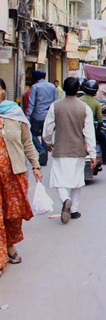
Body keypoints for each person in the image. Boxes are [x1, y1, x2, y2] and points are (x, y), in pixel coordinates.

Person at [0, 78, 42, 276]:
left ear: (4, 91)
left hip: (14, 175)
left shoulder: (15, 115)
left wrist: (35, 165)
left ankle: (10, 244)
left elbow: (27, 143)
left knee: (13, 215)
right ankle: (3, 254)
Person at [42, 78, 96, 224]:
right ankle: (74, 211)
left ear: (64, 89)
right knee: (77, 181)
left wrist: (48, 142)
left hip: (60, 149)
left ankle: (65, 200)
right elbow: (89, 133)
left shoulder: (55, 106)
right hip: (78, 150)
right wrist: (92, 154)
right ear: (78, 89)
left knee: (59, 180)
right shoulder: (84, 108)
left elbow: (47, 128)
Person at [27, 70, 58, 167]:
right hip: (49, 115)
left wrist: (28, 117)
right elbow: (56, 101)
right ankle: (44, 160)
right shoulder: (52, 86)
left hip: (37, 115)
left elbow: (32, 103)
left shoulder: (35, 87)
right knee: (45, 135)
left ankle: (40, 150)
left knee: (32, 134)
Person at [80, 79, 106, 166]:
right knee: (102, 138)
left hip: (77, 128)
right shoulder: (96, 103)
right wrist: (98, 130)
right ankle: (105, 159)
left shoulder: (78, 100)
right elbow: (100, 120)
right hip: (89, 128)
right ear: (95, 92)